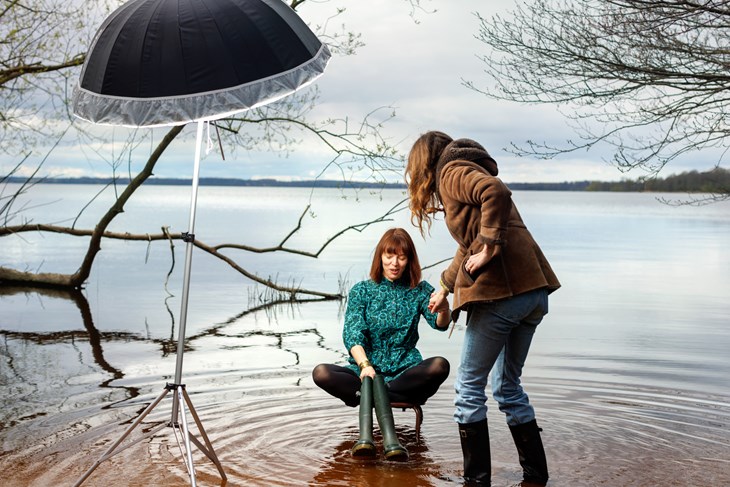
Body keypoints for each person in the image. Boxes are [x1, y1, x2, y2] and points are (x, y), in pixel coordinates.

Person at [406, 131, 561, 486]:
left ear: (424, 164)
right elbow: (469, 245)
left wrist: (490, 246)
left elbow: (497, 194)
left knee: (468, 388)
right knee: (508, 387)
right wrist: (445, 286)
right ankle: (536, 478)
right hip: (532, 293)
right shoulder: (468, 168)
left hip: (504, 295)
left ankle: (476, 482)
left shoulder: (451, 172)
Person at [312, 227, 451, 460]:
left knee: (440, 365)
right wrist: (365, 365)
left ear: (409, 260)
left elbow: (440, 325)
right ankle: (374, 389)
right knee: (322, 373)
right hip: (363, 371)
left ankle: (379, 392)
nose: (395, 263)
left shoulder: (419, 291)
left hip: (402, 373)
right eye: (389, 256)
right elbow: (352, 335)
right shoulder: (362, 291)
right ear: (380, 257)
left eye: (401, 256)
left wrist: (444, 308)